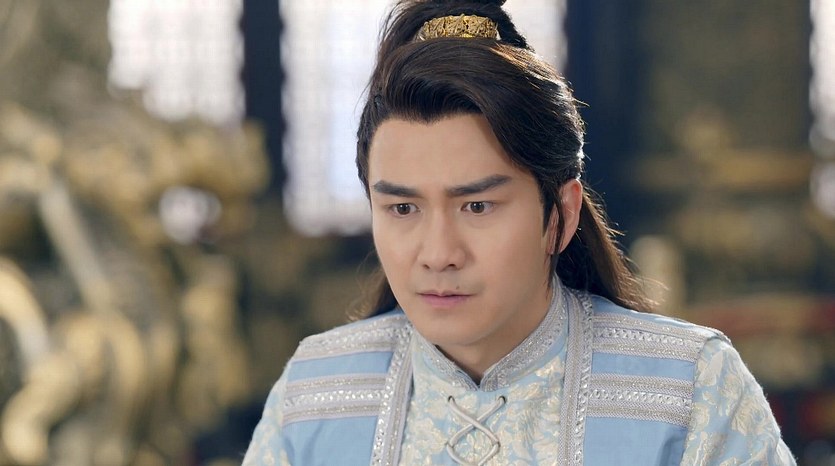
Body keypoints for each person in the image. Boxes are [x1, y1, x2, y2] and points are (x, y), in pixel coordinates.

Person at [244, 0, 795, 464]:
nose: (438, 254)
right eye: (403, 208)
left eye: (478, 206)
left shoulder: (691, 390)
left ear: (561, 214)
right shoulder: (313, 395)